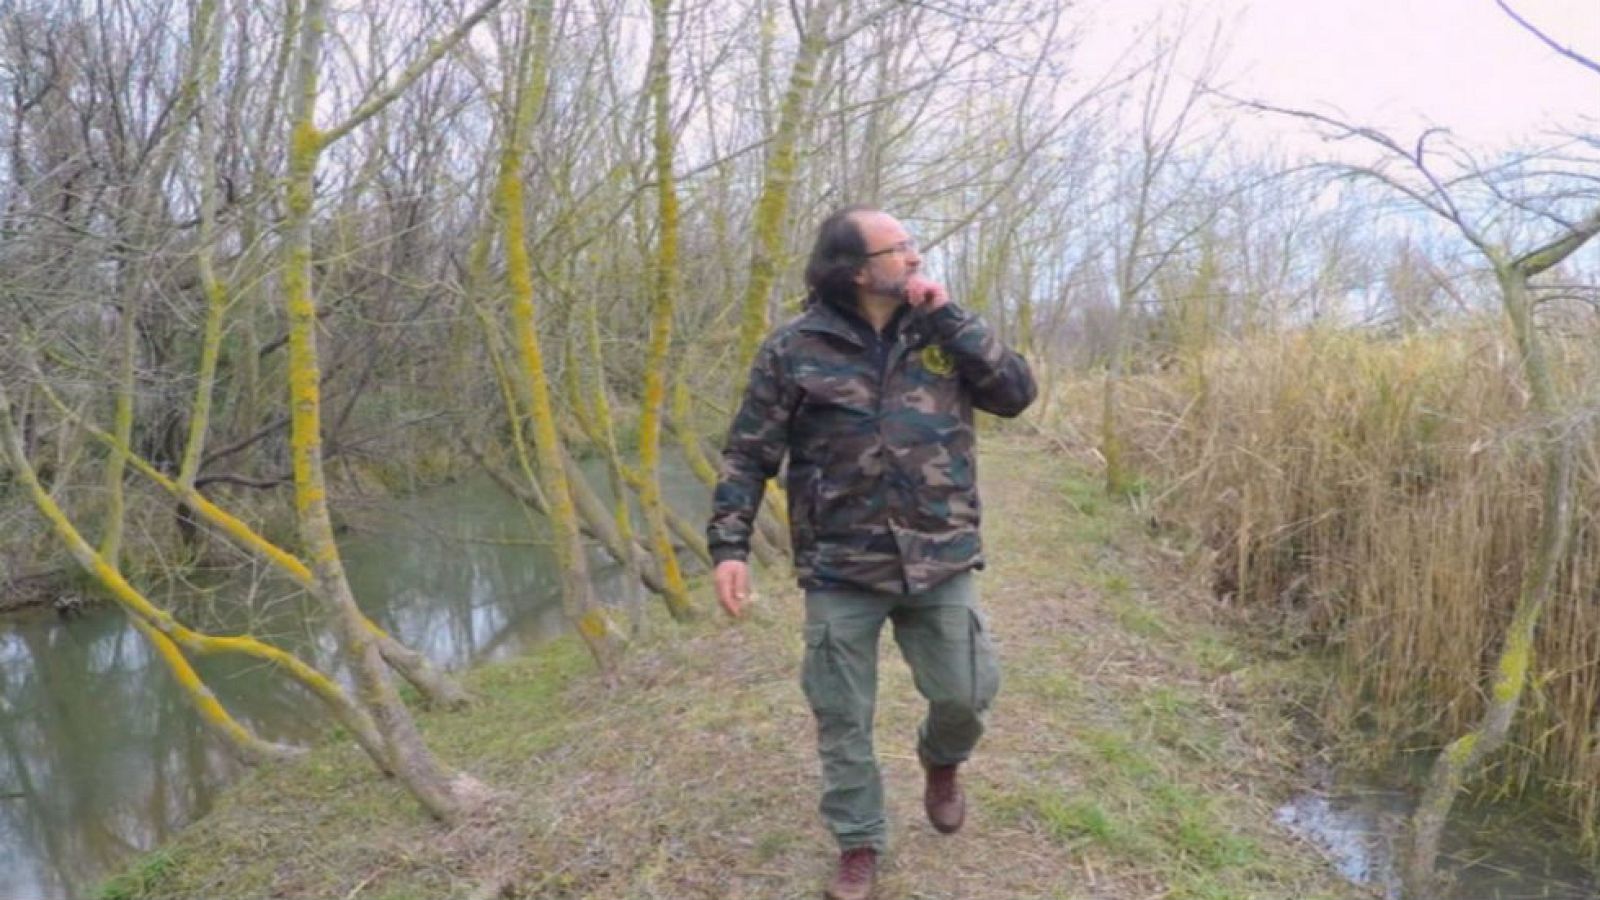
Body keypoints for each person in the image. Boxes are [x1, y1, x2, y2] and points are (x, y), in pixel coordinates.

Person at [707, 205, 1037, 899]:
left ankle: (941, 759)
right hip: (841, 564)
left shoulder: (943, 330)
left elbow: (1015, 394)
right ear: (855, 270)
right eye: (898, 249)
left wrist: (952, 319)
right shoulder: (794, 348)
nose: (915, 257)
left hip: (940, 553)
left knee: (968, 693)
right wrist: (729, 546)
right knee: (842, 716)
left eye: (914, 245)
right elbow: (748, 453)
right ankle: (858, 841)